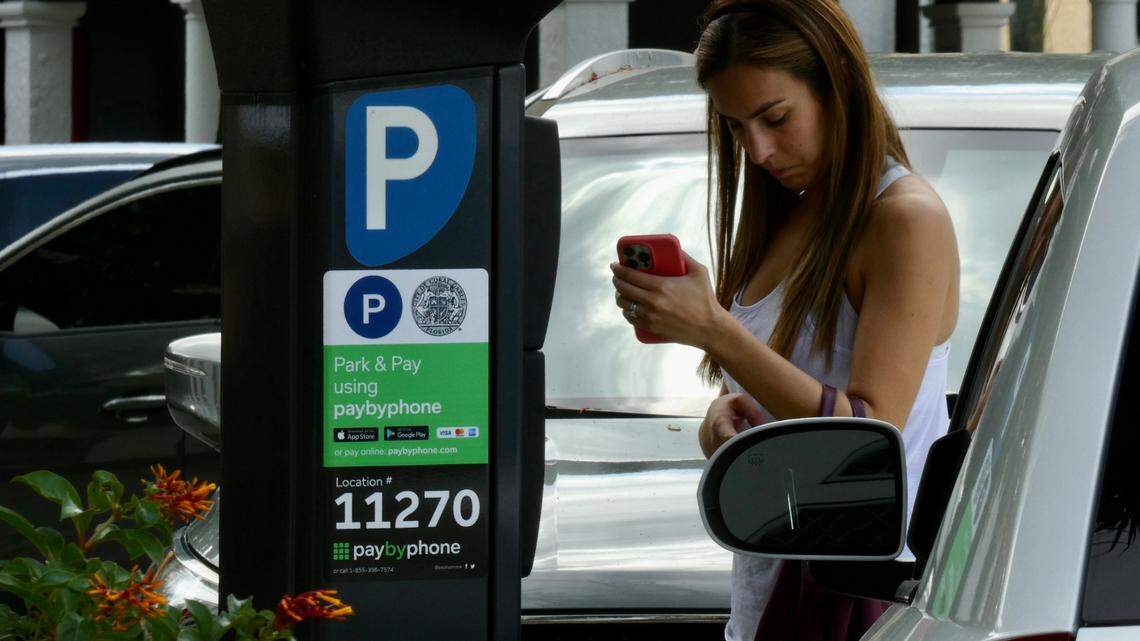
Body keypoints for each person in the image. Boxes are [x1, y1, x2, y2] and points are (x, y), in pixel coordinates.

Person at [609, 0, 959, 639]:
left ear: (838, 88)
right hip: (772, 585)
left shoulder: (905, 219)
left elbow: (867, 438)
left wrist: (717, 330)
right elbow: (779, 394)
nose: (760, 150)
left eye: (775, 118)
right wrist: (726, 423)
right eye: (738, 128)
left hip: (857, 594)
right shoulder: (791, 214)